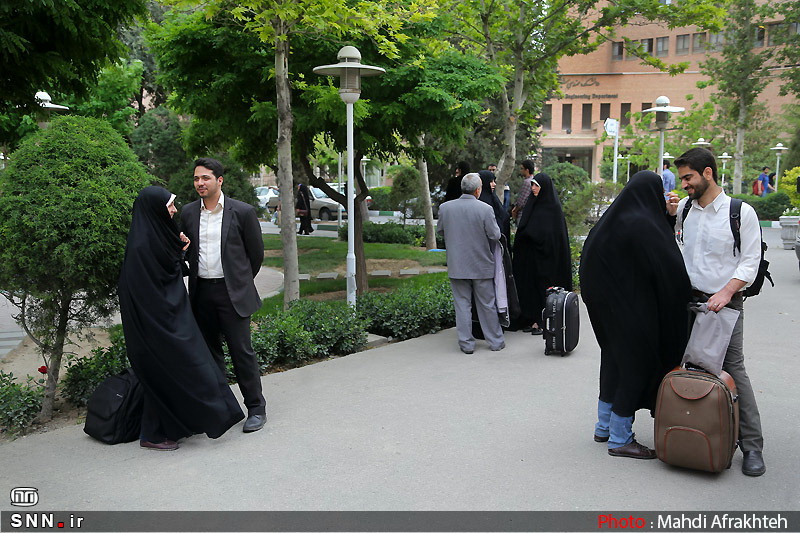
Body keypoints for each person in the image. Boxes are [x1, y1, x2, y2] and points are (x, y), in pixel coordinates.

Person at [118, 186, 245, 451]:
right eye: (170, 206)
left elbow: (168, 274)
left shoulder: (154, 238)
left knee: (183, 371)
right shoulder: (141, 247)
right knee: (173, 373)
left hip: (170, 322)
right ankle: (153, 435)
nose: (174, 210)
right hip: (158, 328)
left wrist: (180, 251)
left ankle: (173, 427)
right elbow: (149, 292)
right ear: (155, 210)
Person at [580, 171, 691, 459]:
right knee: (636, 366)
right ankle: (620, 438)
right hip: (633, 312)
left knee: (613, 363)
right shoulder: (643, 224)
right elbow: (669, 265)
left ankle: (603, 426)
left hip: (606, 312)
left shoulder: (608, 222)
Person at [672, 147, 766, 476]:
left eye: (688, 177)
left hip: (724, 304)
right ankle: (693, 436)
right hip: (689, 301)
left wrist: (726, 292)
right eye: (682, 178)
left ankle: (751, 446)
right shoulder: (685, 209)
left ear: (708, 173)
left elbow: (750, 262)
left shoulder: (740, 212)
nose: (684, 184)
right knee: (688, 367)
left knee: (732, 370)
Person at [181, 157, 268, 434]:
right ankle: (222, 410)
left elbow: (256, 254)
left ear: (219, 180)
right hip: (201, 293)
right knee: (210, 355)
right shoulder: (188, 213)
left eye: (205, 178)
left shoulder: (242, 212)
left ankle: (256, 408)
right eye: (196, 178)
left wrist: (239, 282)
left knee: (242, 353)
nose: (200, 183)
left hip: (232, 294)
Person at [437, 173, 505, 354]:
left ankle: (466, 344)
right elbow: (495, 235)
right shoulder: (485, 209)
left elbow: (441, 230)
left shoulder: (445, 208)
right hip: (481, 264)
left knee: (462, 305)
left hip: (457, 264)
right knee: (487, 305)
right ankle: (495, 341)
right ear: (477, 190)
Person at [511, 173, 572, 334]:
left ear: (544, 187)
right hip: (531, 259)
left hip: (547, 261)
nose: (533, 188)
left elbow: (553, 237)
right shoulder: (532, 204)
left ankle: (543, 320)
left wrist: (531, 235)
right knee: (530, 289)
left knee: (544, 290)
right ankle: (531, 318)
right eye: (532, 185)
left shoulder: (553, 208)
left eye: (536, 185)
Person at [478, 170, 510, 243]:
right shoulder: (481, 201)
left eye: (494, 181)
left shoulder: (493, 197)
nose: (494, 184)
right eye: (491, 182)